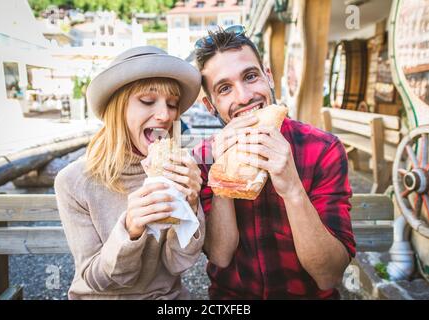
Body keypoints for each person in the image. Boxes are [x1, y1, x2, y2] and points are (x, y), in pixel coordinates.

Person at [192, 26, 356, 299]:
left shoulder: (323, 149)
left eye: (251, 76)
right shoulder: (205, 157)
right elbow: (220, 256)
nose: (244, 97)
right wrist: (223, 175)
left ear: (268, 77)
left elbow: (328, 275)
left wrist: (292, 188)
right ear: (211, 106)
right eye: (224, 88)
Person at [54, 46, 205, 300]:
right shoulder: (74, 182)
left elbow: (177, 263)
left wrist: (191, 204)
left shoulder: (178, 169)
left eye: (172, 104)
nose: (165, 115)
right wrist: (131, 228)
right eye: (147, 101)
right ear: (118, 108)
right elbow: (95, 279)